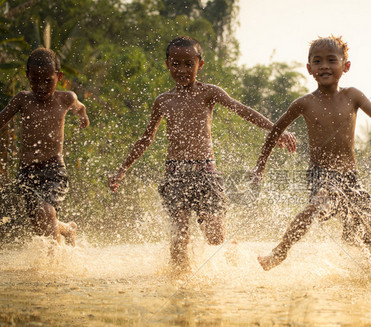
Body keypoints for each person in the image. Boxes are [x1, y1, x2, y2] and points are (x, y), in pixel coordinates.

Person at [107, 36, 296, 270]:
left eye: (189, 64)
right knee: (179, 237)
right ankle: (180, 289)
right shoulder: (164, 101)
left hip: (206, 174)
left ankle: (231, 247)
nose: (182, 70)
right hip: (175, 175)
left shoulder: (209, 93)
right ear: (167, 64)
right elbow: (147, 138)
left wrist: (276, 130)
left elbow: (242, 110)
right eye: (176, 64)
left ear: (200, 64)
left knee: (215, 237)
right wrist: (123, 169)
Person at [251, 35, 371, 270]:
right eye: (318, 62)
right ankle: (280, 252)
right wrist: (261, 165)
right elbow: (275, 131)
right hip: (321, 174)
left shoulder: (353, 96)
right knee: (317, 204)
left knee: (365, 232)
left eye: (331, 60)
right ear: (310, 69)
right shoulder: (304, 103)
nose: (325, 66)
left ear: (345, 66)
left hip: (351, 176)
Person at [0, 47, 89, 246]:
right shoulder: (22, 99)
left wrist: (83, 117)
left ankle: (53, 266)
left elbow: (80, 107)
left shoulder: (65, 98)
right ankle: (67, 229)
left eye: (47, 80)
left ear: (59, 76)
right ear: (27, 76)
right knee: (41, 224)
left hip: (54, 169)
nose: (40, 86)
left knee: (46, 212)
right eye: (34, 80)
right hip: (26, 171)